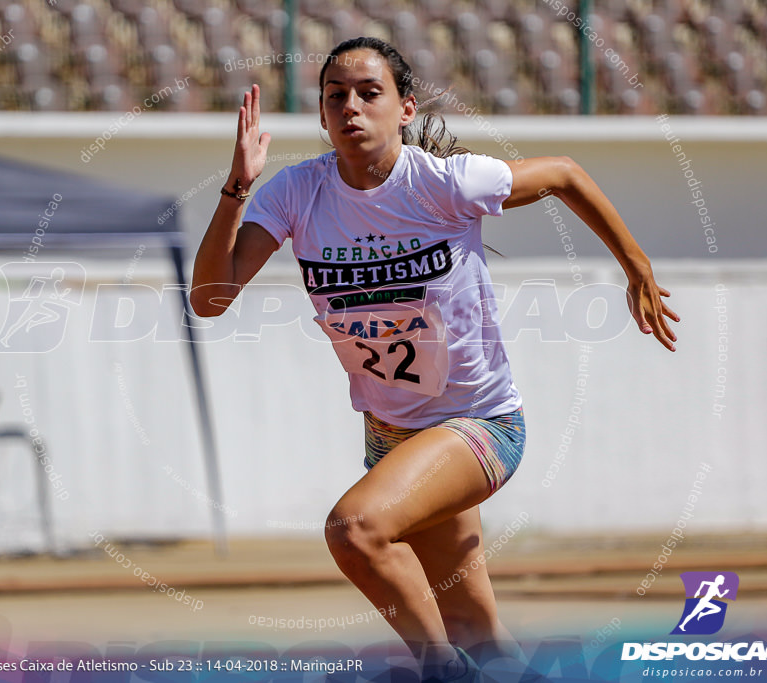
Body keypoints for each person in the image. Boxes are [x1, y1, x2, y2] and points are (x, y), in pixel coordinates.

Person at [190, 37, 678, 683]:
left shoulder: (443, 182)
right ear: (321, 115)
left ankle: (439, 671)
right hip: (394, 439)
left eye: (370, 93)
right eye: (336, 96)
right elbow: (210, 298)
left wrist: (636, 266)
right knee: (481, 634)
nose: (351, 108)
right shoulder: (295, 192)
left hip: (479, 424)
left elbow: (563, 172)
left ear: (405, 109)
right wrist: (236, 188)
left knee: (355, 529)